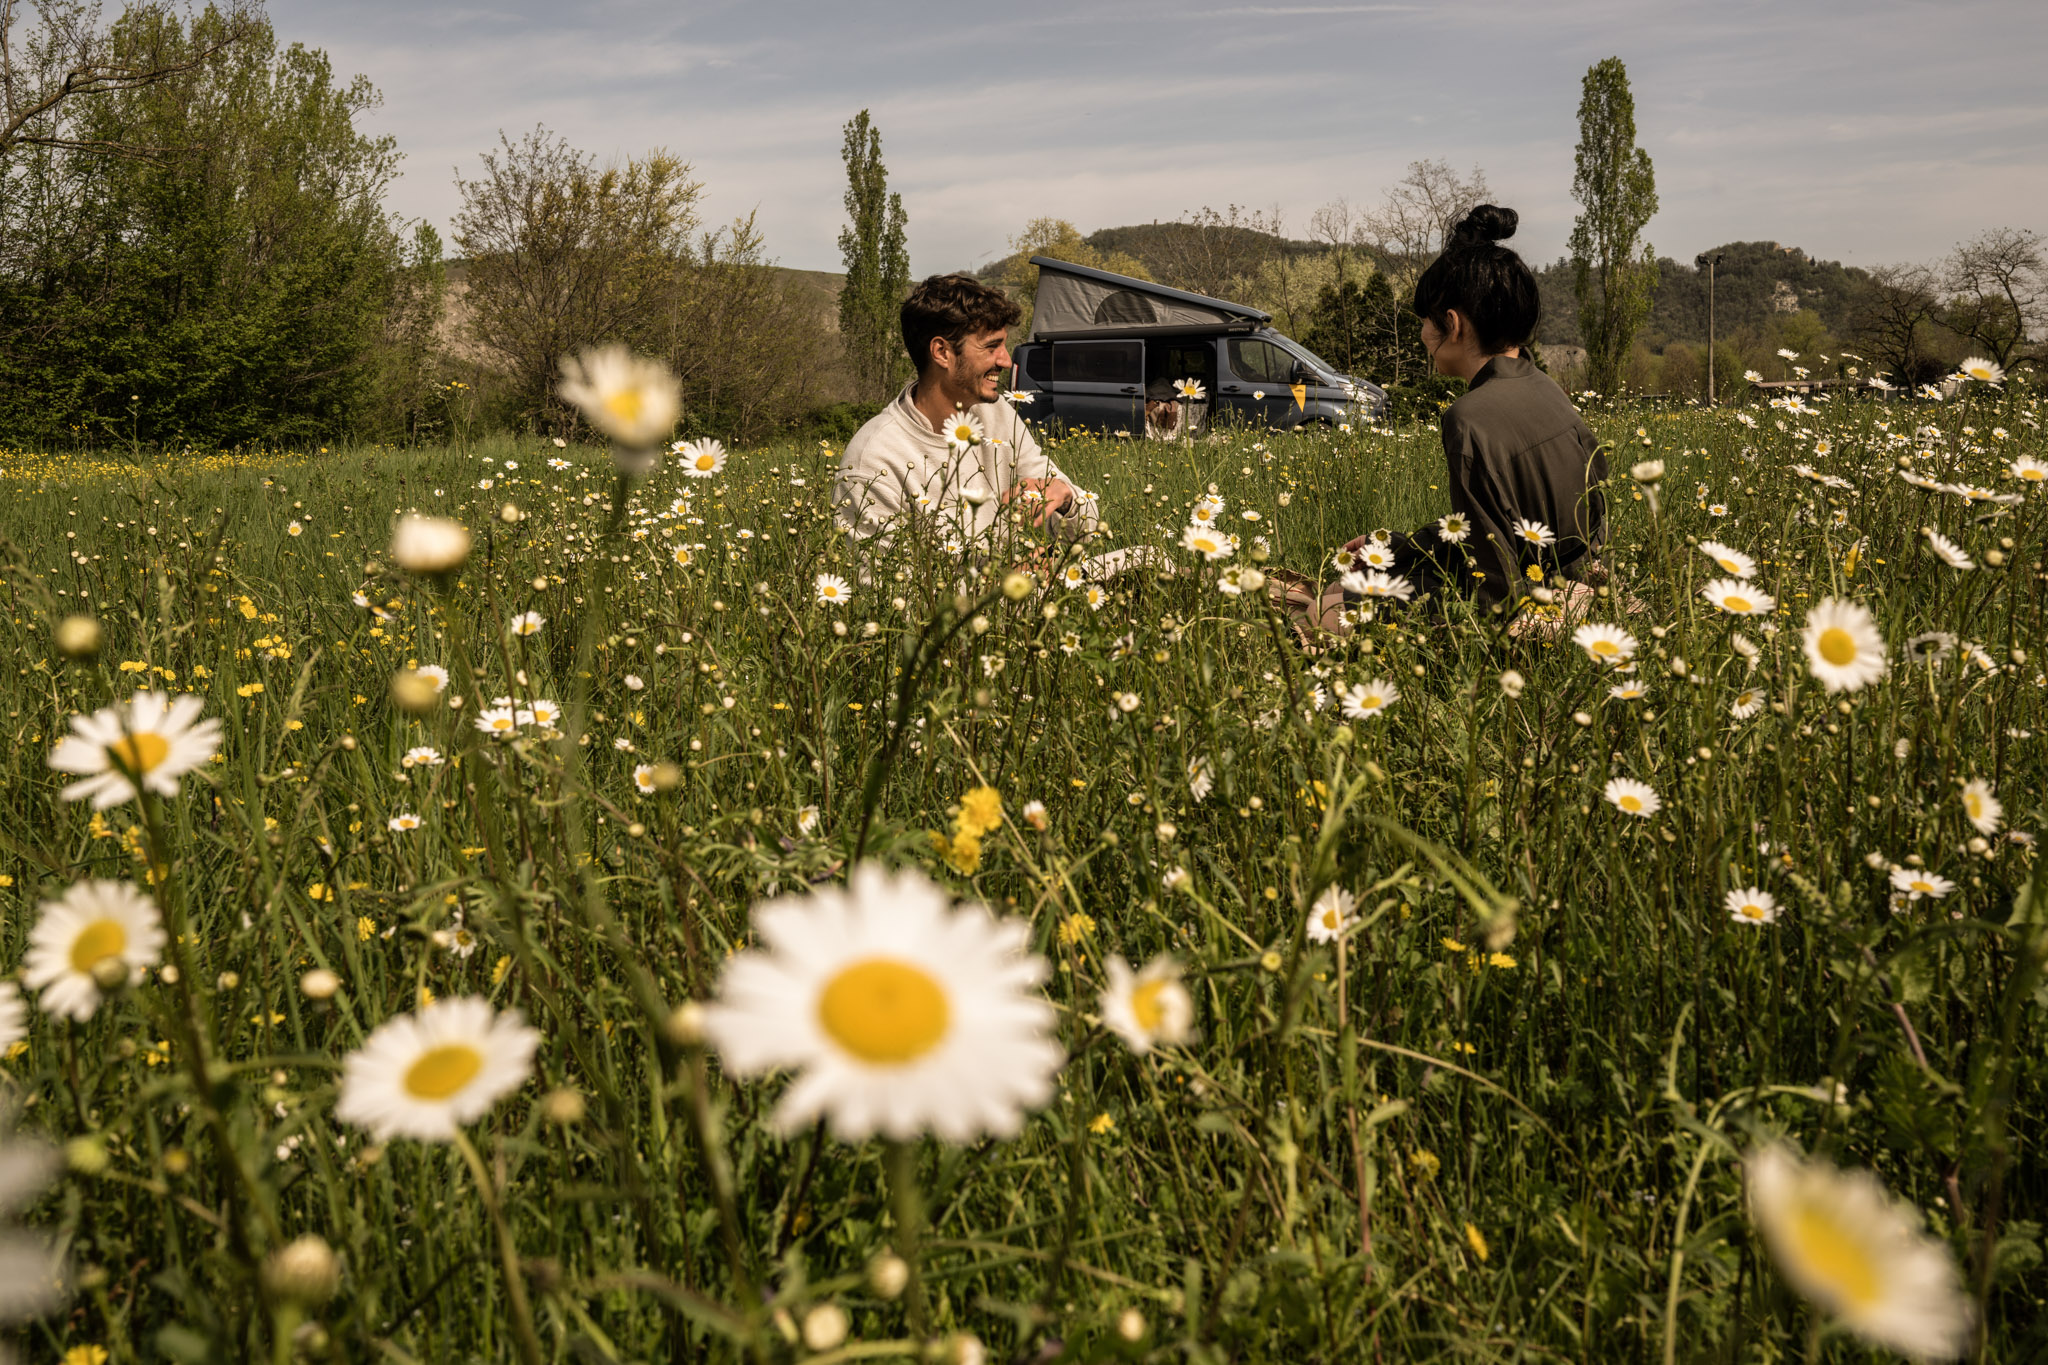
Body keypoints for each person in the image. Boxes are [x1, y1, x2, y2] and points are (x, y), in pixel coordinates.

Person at [1292, 205, 1606, 633]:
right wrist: (1403, 549)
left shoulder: (1468, 418)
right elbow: (1504, 528)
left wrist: (1404, 599)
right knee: (1350, 585)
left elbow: (1496, 586)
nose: (1423, 334)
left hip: (1526, 601)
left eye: (1424, 320)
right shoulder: (1547, 389)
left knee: (1327, 608)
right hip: (1566, 576)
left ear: (1453, 325)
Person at [835, 274, 1100, 560]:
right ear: (942, 352)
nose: (1006, 360)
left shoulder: (997, 413)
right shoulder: (873, 463)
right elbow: (882, 596)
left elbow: (1088, 531)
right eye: (991, 346)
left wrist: (1065, 498)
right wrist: (1003, 586)